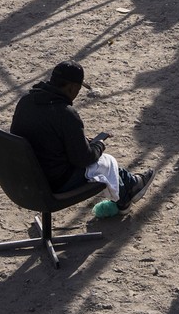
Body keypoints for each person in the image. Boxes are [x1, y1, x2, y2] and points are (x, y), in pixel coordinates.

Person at [10, 60, 154, 211]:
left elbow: (43, 137)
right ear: (72, 88)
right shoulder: (65, 114)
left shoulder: (25, 101)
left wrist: (79, 142)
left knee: (97, 158)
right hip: (53, 183)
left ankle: (131, 184)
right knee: (105, 161)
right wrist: (98, 145)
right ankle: (125, 196)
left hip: (25, 176)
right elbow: (83, 159)